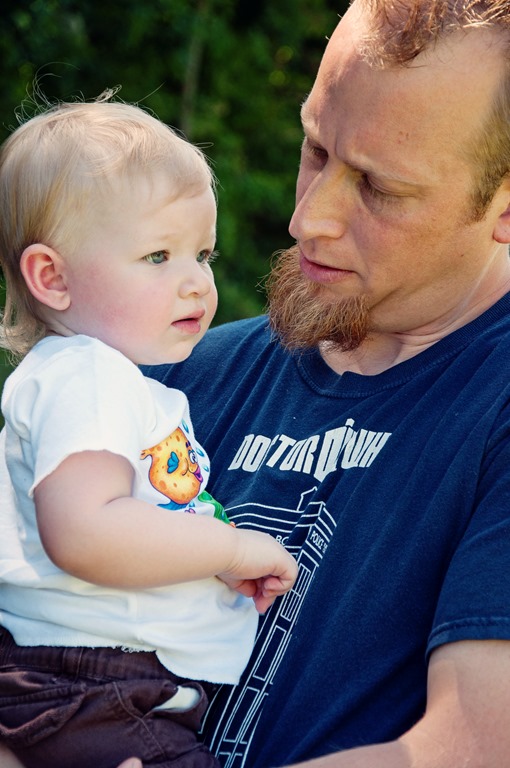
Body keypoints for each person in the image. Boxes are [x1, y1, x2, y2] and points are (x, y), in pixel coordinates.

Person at [3, 0, 510, 765]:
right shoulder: (151, 374)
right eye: (315, 147)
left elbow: (472, 748)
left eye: (380, 187)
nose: (308, 218)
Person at [0, 96, 297, 768]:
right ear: (52, 277)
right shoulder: (89, 377)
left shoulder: (105, 381)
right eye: (158, 255)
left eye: (202, 254)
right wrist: (230, 548)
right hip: (96, 688)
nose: (195, 283)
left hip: (100, 685)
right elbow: (86, 531)